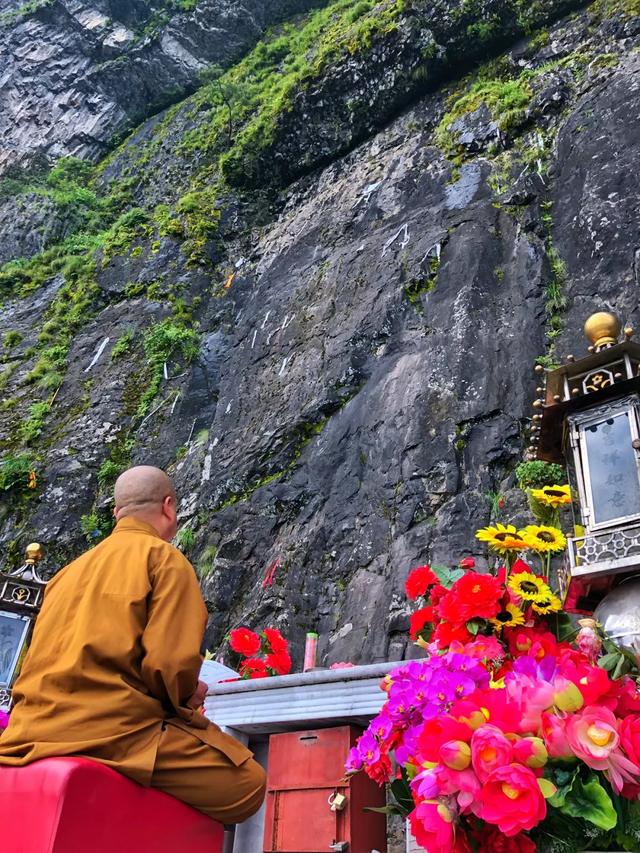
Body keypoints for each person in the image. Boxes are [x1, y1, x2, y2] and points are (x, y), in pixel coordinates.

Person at [0, 465, 265, 824]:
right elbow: (166, 668)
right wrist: (190, 694)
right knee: (247, 785)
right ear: (169, 507)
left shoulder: (67, 574)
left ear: (116, 513)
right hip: (112, 733)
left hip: (26, 733)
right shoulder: (164, 560)